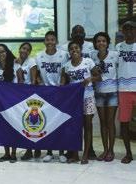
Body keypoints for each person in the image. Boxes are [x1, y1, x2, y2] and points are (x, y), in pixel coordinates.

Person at [61, 41, 100, 164]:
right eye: (71, 49)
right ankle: (75, 155)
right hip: (74, 100)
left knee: (87, 125)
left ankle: (86, 154)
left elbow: (99, 77)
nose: (74, 50)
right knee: (75, 127)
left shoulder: (88, 62)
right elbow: (64, 83)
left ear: (80, 49)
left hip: (88, 97)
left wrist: (90, 79)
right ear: (69, 52)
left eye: (76, 48)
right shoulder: (66, 66)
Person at [36, 30, 68, 163]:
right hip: (46, 93)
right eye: (47, 39)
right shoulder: (38, 56)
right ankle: (49, 151)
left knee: (59, 122)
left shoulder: (64, 55)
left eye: (52, 39)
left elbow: (65, 73)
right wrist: (41, 83)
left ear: (56, 42)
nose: (50, 42)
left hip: (60, 92)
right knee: (47, 122)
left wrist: (61, 85)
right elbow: (36, 73)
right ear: (44, 41)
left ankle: (61, 151)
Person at [0, 44, 23, 163]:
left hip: (13, 102)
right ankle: (6, 153)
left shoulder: (15, 64)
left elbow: (20, 81)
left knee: (13, 127)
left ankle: (14, 153)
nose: (1, 54)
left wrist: (17, 96)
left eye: (3, 51)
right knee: (3, 127)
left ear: (7, 52)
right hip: (0, 102)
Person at [91, 32, 118, 162]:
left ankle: (111, 150)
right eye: (98, 41)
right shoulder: (92, 56)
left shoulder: (115, 55)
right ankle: (105, 149)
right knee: (103, 122)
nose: (101, 43)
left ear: (107, 43)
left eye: (103, 41)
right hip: (99, 93)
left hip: (112, 92)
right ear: (95, 44)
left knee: (110, 122)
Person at [15, 42, 41, 160]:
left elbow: (34, 81)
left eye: (27, 50)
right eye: (23, 48)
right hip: (18, 96)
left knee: (32, 124)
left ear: (30, 52)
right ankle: (29, 149)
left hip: (30, 96)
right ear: (19, 49)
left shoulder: (31, 62)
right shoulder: (14, 62)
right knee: (23, 124)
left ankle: (35, 148)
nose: (24, 51)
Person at [116, 21, 136, 164]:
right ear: (122, 31)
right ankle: (128, 153)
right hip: (123, 89)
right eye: (126, 29)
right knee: (124, 122)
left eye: (131, 29)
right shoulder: (118, 47)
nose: (128, 31)